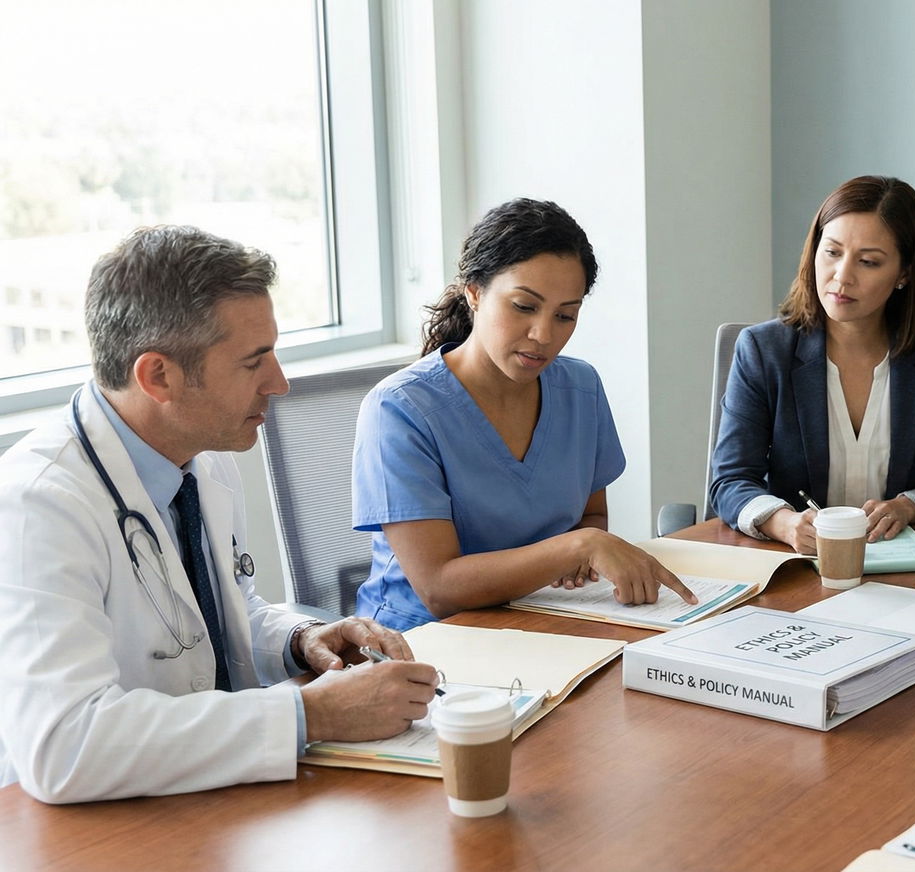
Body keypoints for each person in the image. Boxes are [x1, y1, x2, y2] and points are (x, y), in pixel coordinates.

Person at [0, 226, 438, 804]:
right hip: (96, 829)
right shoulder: (38, 504)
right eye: (253, 362)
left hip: (211, 797)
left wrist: (299, 640)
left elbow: (213, 615)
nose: (279, 383)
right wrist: (308, 714)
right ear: (158, 376)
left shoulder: (200, 455)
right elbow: (64, 745)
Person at [352, 198, 696, 632]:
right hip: (424, 645)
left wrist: (581, 548)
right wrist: (579, 548)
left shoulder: (580, 389)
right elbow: (439, 589)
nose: (543, 336)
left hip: (541, 622)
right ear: (474, 292)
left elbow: (588, 519)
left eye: (565, 315)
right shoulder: (400, 409)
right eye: (524, 306)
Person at [709, 175, 915, 553]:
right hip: (798, 563)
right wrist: (785, 524)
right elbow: (730, 481)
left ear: (904, 273)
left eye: (868, 262)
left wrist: (909, 507)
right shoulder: (763, 350)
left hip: (903, 566)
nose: (842, 276)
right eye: (832, 252)